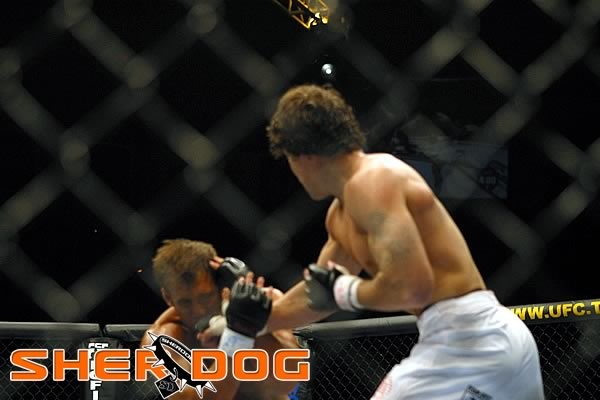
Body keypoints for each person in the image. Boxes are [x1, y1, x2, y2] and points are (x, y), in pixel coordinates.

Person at [259, 83, 545, 399]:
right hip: (482, 338)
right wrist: (248, 319)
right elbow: (317, 295)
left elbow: (412, 288)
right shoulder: (340, 215)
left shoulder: (373, 179)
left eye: (289, 158)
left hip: (470, 340)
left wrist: (345, 291)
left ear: (304, 156)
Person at [141, 239, 300, 400]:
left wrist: (247, 317)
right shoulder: (157, 341)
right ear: (168, 297)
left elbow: (289, 379)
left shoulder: (267, 302)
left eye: (206, 297)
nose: (198, 310)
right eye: (185, 302)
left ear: (220, 285)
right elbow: (184, 398)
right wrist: (236, 340)